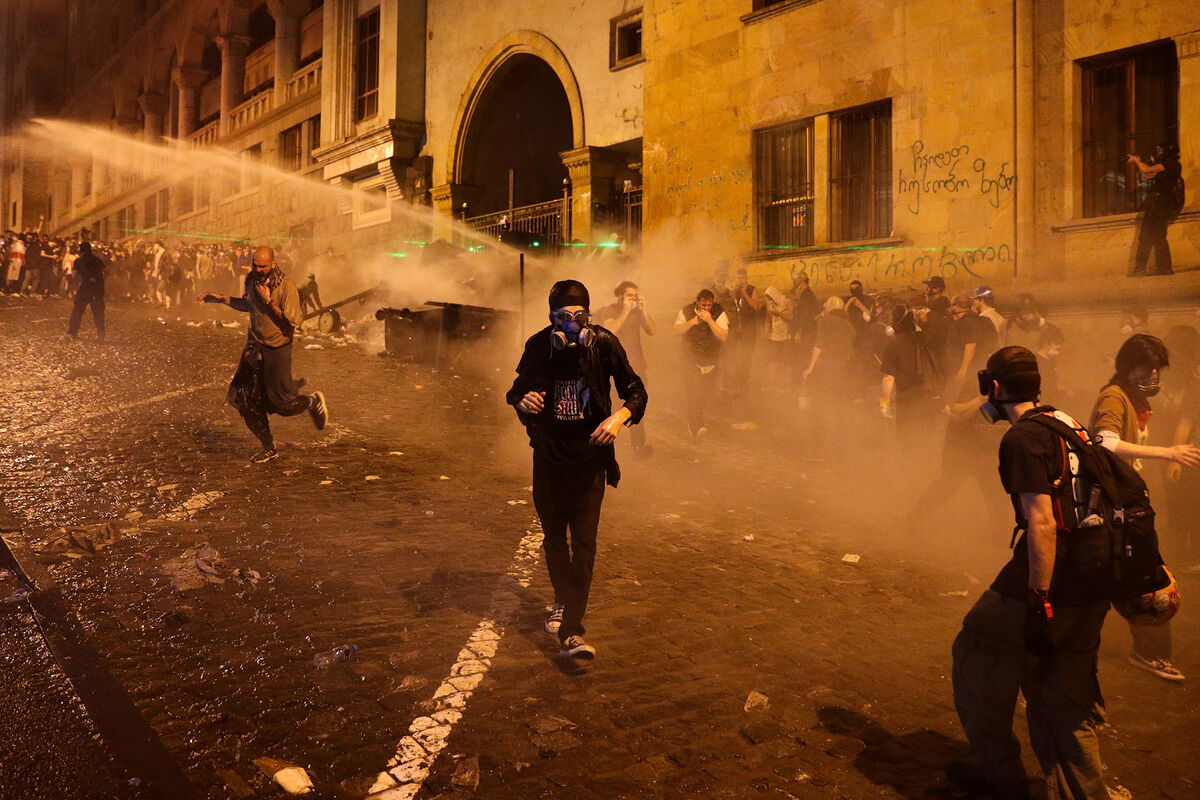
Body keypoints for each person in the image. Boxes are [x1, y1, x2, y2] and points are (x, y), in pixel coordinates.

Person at [951, 346, 1114, 800]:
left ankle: (995, 770)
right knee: (1067, 696)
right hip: (1094, 578)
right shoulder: (1066, 422)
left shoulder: (1021, 438)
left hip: (1051, 580)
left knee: (976, 649)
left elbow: (1041, 521)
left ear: (996, 387)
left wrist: (1039, 601)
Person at [506, 279, 647, 660]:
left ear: (589, 316)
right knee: (554, 539)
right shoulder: (539, 345)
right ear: (550, 318)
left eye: (578, 316)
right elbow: (515, 391)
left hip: (589, 463)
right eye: (562, 317)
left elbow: (636, 390)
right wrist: (525, 401)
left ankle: (571, 630)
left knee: (584, 545)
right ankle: (561, 599)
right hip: (549, 460)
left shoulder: (603, 344)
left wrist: (619, 418)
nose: (570, 326)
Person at [1088, 333, 1200, 681]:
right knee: (1143, 577)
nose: (1154, 376)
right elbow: (1104, 441)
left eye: (1157, 369)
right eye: (1147, 367)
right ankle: (1149, 653)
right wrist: (1167, 452)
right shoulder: (1114, 396)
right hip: (1116, 503)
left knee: (1120, 574)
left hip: (1126, 501)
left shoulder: (1134, 398)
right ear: (1127, 366)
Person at [202, 246, 329, 463]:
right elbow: (249, 305)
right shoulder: (251, 280)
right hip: (254, 347)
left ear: (273, 264)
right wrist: (222, 299)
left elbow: (292, 321)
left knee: (279, 404)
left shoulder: (286, 286)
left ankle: (311, 402)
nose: (258, 270)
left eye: (263, 266)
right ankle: (268, 446)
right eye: (255, 265)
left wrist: (269, 301)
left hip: (277, 349)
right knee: (244, 398)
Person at [598, 280, 656, 455]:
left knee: (637, 403)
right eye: (630, 295)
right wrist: (625, 311)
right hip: (613, 367)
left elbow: (652, 330)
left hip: (636, 365)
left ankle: (638, 444)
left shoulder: (638, 312)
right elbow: (610, 330)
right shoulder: (610, 310)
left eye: (635, 296)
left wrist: (644, 311)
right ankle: (603, 443)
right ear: (620, 296)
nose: (633, 299)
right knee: (610, 405)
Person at [674, 288, 729, 439]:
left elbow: (723, 336)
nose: (706, 308)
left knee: (704, 394)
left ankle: (694, 420)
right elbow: (676, 331)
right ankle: (696, 425)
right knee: (694, 393)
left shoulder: (719, 312)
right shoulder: (687, 311)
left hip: (710, 362)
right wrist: (693, 321)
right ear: (697, 303)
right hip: (690, 360)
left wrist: (710, 320)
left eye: (709, 305)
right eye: (703, 305)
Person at [1128, 142, 1182, 276]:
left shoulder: (1169, 164)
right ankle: (1164, 268)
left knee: (1146, 236)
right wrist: (1139, 163)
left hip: (1157, 205)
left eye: (1161, 151)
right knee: (1159, 237)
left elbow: (1147, 171)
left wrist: (1136, 160)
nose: (1159, 153)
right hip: (1161, 205)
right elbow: (1148, 175)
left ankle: (1140, 269)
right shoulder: (1172, 165)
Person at [67, 242, 106, 340]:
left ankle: (73, 332)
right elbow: (105, 270)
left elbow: (74, 275)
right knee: (98, 312)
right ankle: (101, 333)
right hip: (97, 288)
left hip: (85, 288)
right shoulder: (97, 260)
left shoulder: (79, 260)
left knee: (78, 310)